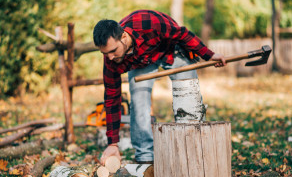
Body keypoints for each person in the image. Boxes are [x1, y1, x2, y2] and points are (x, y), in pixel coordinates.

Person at [93, 10, 226, 165]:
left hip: (170, 49)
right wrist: (112, 143)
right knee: (138, 101)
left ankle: (194, 148)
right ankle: (145, 158)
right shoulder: (111, 59)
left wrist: (209, 54)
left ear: (123, 38)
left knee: (189, 95)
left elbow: (182, 34)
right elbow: (111, 99)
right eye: (105, 53)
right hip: (142, 62)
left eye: (112, 51)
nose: (109, 57)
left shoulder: (150, 23)